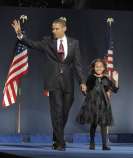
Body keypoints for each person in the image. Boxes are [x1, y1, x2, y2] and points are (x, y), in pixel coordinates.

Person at [11, 18, 87, 151]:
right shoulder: (48, 42)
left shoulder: (74, 43)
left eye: (56, 28)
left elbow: (78, 65)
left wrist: (82, 82)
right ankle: (60, 142)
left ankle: (57, 135)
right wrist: (20, 35)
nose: (54, 31)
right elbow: (33, 44)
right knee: (56, 111)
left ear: (64, 28)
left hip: (68, 83)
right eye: (52, 28)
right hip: (53, 82)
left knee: (64, 112)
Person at [76, 59, 119, 150]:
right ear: (94, 68)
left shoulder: (106, 78)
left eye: (101, 66)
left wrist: (116, 79)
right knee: (93, 124)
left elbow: (115, 90)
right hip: (93, 103)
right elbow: (86, 90)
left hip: (103, 104)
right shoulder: (91, 77)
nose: (99, 68)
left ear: (104, 68)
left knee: (103, 124)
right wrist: (83, 90)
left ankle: (104, 145)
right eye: (97, 66)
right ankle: (92, 143)